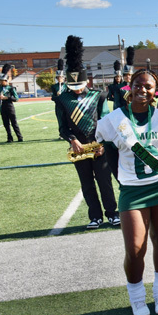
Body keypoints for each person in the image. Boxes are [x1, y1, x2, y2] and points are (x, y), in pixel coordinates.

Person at [96, 67, 158, 315]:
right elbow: (109, 155)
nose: (142, 90)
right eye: (138, 85)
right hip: (132, 190)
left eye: (148, 87)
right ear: (129, 88)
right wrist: (123, 181)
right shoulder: (113, 120)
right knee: (135, 248)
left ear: (156, 92)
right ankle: (136, 296)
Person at [56, 36, 119, 229]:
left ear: (86, 81)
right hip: (78, 147)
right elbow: (62, 128)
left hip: (98, 146)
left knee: (104, 182)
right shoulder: (62, 99)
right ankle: (95, 216)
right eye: (73, 87)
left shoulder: (98, 96)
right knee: (86, 184)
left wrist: (101, 144)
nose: (76, 90)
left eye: (79, 86)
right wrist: (72, 139)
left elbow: (105, 122)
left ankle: (112, 213)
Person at [0, 65, 22, 142]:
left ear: (6, 80)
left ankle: (19, 137)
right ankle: (9, 137)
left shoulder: (11, 88)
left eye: (2, 81)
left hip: (10, 107)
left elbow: (16, 99)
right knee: (6, 124)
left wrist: (6, 98)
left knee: (14, 123)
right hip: (2, 108)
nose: (1, 82)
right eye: (0, 80)